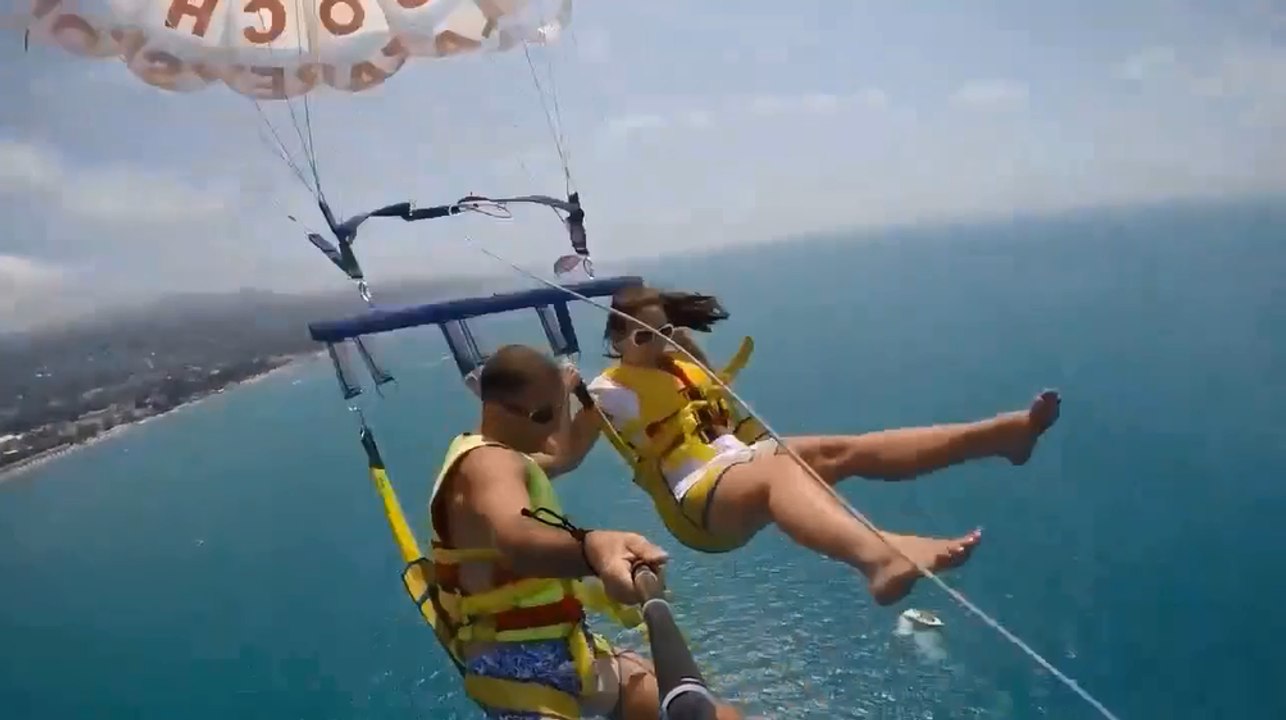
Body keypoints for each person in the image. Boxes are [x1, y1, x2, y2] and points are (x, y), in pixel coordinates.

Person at [544, 285, 1062, 606]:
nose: (654, 343)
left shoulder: (680, 363)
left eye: (660, 332)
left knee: (842, 450)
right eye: (640, 337)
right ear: (614, 341)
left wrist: (675, 337)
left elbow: (697, 375)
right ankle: (878, 558)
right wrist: (567, 398)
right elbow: (562, 458)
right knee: (782, 471)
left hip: (737, 463)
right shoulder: (608, 392)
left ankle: (1003, 437)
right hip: (698, 504)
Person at [427, 343, 743, 720]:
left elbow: (564, 455)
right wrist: (594, 548)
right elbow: (516, 537)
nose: (552, 430)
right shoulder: (489, 464)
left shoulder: (497, 451)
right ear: (495, 409)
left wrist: (591, 410)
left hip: (567, 652)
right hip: (520, 672)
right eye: (545, 415)